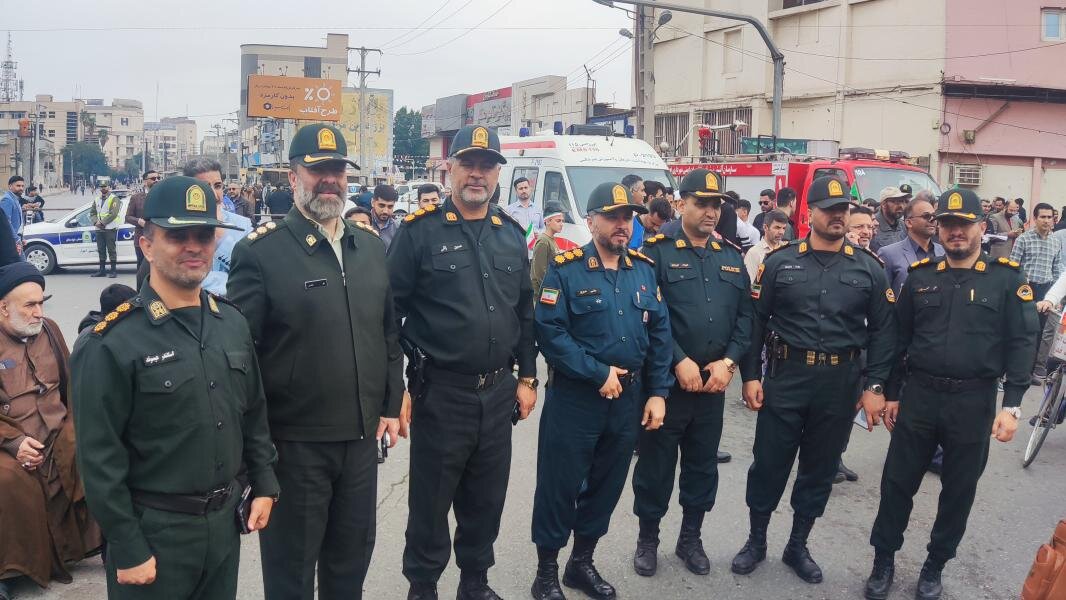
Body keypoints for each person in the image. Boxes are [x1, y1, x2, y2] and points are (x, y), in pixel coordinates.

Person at [71, 176, 279, 600]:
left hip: (223, 527)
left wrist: (266, 484)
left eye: (203, 235)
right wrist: (127, 545)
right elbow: (99, 458)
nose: (194, 246)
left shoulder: (231, 323)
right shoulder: (112, 342)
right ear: (146, 245)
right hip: (154, 532)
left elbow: (253, 413)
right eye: (177, 235)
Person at [228, 124, 403, 600]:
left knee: (351, 564)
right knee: (292, 573)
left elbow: (387, 332)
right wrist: (253, 450)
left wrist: (391, 402)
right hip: (296, 445)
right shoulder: (260, 254)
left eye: (337, 171)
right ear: (293, 176)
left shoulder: (368, 246)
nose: (330, 180)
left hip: (362, 441)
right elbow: (240, 358)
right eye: (318, 169)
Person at [864, 188, 1037, 600]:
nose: (956, 232)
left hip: (973, 402)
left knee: (959, 490)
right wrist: (887, 391)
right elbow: (897, 339)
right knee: (896, 484)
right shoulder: (922, 276)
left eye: (964, 224)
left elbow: (1022, 343)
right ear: (937, 228)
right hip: (920, 397)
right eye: (947, 224)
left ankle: (934, 564)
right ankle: (883, 560)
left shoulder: (1007, 278)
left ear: (981, 227)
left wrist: (1012, 406)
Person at [387, 125, 536, 600]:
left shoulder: (511, 235)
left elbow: (525, 312)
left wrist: (528, 376)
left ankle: (475, 581)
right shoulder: (419, 234)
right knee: (431, 501)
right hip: (442, 392)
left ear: (497, 175)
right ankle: (423, 586)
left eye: (487, 165)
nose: (478, 174)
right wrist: (398, 386)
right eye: (468, 163)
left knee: (486, 497)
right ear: (449, 169)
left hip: (497, 392)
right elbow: (389, 315)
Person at [735, 176, 896, 585]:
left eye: (844, 210)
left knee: (819, 467)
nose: (838, 216)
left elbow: (883, 332)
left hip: (839, 383)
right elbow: (756, 322)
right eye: (830, 209)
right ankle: (756, 541)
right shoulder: (779, 262)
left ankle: (797, 545)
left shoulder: (869, 268)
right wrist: (751, 376)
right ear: (810, 214)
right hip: (787, 377)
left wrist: (875, 386)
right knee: (770, 462)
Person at [531, 181, 671, 600]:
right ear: (591, 222)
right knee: (560, 485)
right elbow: (549, 331)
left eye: (627, 216)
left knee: (607, 484)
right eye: (612, 216)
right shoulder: (566, 267)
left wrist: (658, 392)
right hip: (577, 398)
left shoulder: (644, 269)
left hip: (627, 399)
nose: (621, 224)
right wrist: (596, 372)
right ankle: (546, 572)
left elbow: (660, 334)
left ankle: (581, 563)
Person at [631, 169, 752, 579]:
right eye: (702, 203)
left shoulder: (731, 257)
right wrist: (677, 360)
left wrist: (730, 362)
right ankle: (648, 539)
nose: (711, 212)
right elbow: (648, 315)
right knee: (656, 467)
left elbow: (745, 320)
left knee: (702, 467)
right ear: (681, 204)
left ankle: (690, 539)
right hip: (667, 386)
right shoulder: (655, 252)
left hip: (713, 386)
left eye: (717, 204)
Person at [0, 254, 102, 600]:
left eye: (41, 304)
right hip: (10, 441)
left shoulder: (50, 330)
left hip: (59, 431)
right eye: (29, 306)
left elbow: (72, 385)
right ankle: (10, 570)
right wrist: (14, 443)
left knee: (96, 452)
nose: (38, 313)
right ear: (3, 309)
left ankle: (109, 543)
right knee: (9, 481)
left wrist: (79, 423)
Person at [181, 158, 254, 297]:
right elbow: (180, 278)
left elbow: (251, 271)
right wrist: (227, 282)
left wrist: (221, 236)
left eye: (218, 186)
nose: (214, 195)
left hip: (233, 311)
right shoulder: (177, 225)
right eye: (205, 187)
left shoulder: (242, 225)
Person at [1009, 202, 1062, 384]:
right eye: (1043, 217)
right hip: (1026, 289)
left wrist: (1056, 296)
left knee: (1038, 332)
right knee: (1020, 330)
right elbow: (1013, 267)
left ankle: (1029, 373)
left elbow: (1057, 269)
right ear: (1035, 218)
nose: (1047, 220)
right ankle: (1012, 371)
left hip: (1045, 291)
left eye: (1050, 217)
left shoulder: (1056, 240)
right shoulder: (1024, 239)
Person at [879, 194, 945, 295]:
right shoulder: (888, 254)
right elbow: (882, 296)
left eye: (934, 216)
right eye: (926, 216)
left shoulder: (944, 252)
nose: (932, 220)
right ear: (909, 222)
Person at [531, 200, 567, 297]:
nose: (561, 224)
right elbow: (540, 274)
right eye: (558, 221)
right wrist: (551, 294)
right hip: (543, 296)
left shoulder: (551, 239)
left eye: (562, 221)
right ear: (547, 221)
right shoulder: (543, 241)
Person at [125, 170, 161, 267]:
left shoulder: (162, 197)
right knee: (142, 268)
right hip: (142, 238)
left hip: (159, 239)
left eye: (158, 178)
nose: (156, 180)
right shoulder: (136, 198)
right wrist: (138, 221)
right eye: (153, 179)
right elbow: (128, 217)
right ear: (145, 181)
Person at [744, 210, 790, 282]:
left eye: (784, 228)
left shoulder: (787, 250)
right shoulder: (754, 253)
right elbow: (750, 285)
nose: (781, 232)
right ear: (765, 227)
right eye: (777, 227)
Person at [90, 182, 123, 278]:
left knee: (111, 249)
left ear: (109, 187)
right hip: (99, 229)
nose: (103, 188)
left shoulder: (114, 199)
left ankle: (113, 271)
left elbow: (114, 213)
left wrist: (102, 223)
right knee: (101, 249)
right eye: (101, 187)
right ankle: (102, 270)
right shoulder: (97, 199)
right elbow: (92, 213)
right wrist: (95, 222)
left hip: (110, 228)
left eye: (105, 186)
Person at [870, 187, 910, 252]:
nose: (901, 206)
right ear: (883, 204)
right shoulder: (871, 226)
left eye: (903, 202)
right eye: (896, 202)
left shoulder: (904, 225)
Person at [370, 183, 400, 250]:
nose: (385, 211)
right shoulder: (363, 224)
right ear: (373, 202)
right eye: (381, 205)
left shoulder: (398, 229)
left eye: (390, 207)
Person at [2, 177, 24, 242]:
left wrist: (21, 238)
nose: (21, 188)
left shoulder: (15, 198)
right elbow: (6, 222)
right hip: (10, 240)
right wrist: (16, 239)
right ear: (10, 186)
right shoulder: (7, 199)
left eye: (22, 186)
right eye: (18, 186)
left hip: (16, 238)